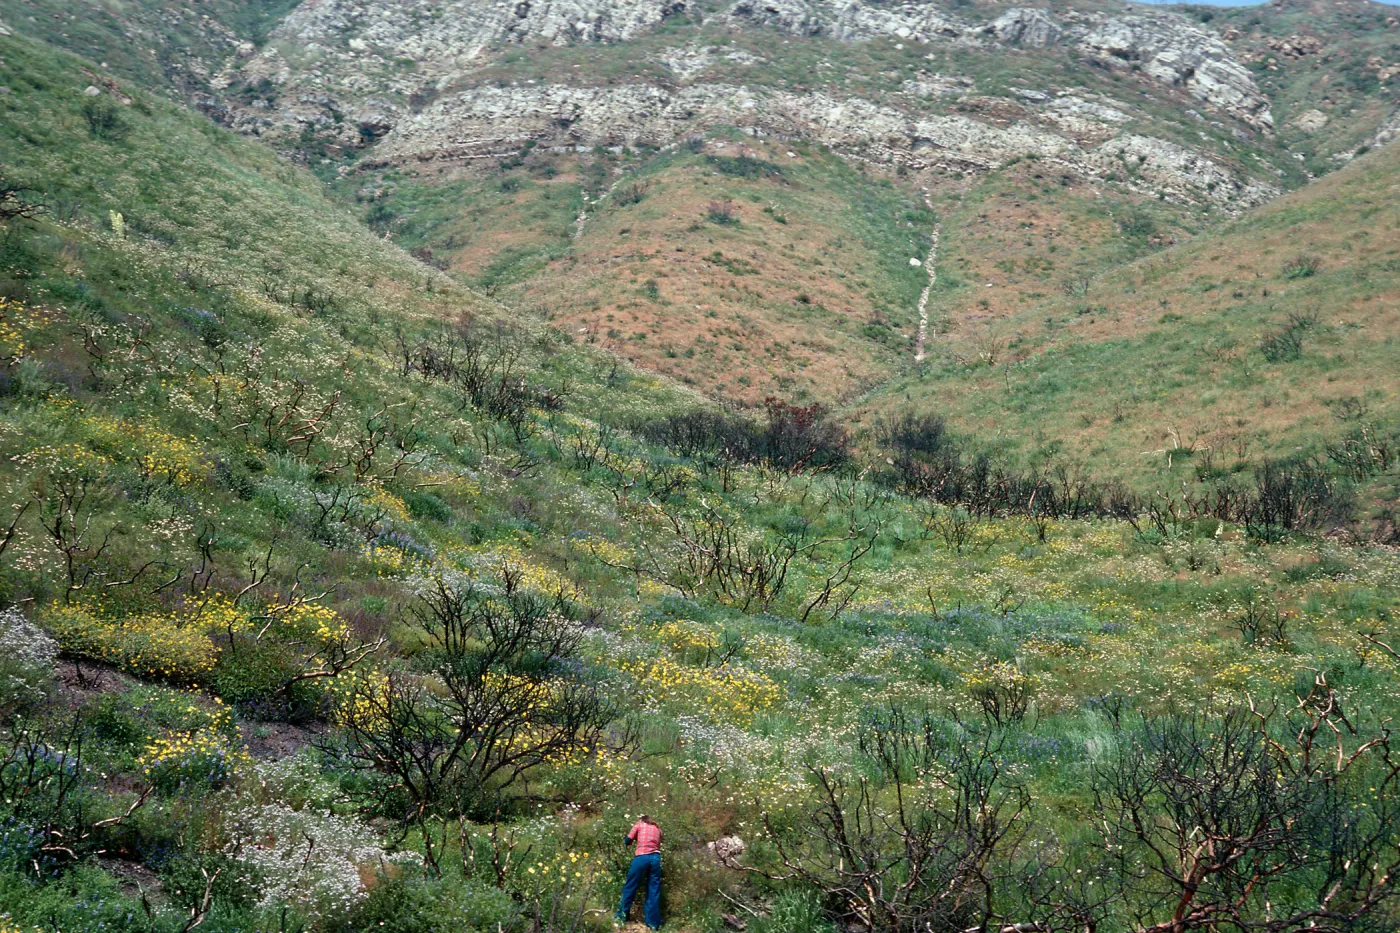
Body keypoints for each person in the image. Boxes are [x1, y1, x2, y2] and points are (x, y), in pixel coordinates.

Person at [615, 814, 663, 929]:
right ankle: (653, 923)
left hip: (641, 857)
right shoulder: (657, 829)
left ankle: (622, 916)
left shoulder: (639, 824)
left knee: (630, 886)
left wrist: (631, 841)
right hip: (655, 859)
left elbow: (628, 840)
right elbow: (657, 844)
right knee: (653, 890)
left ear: (642, 819)